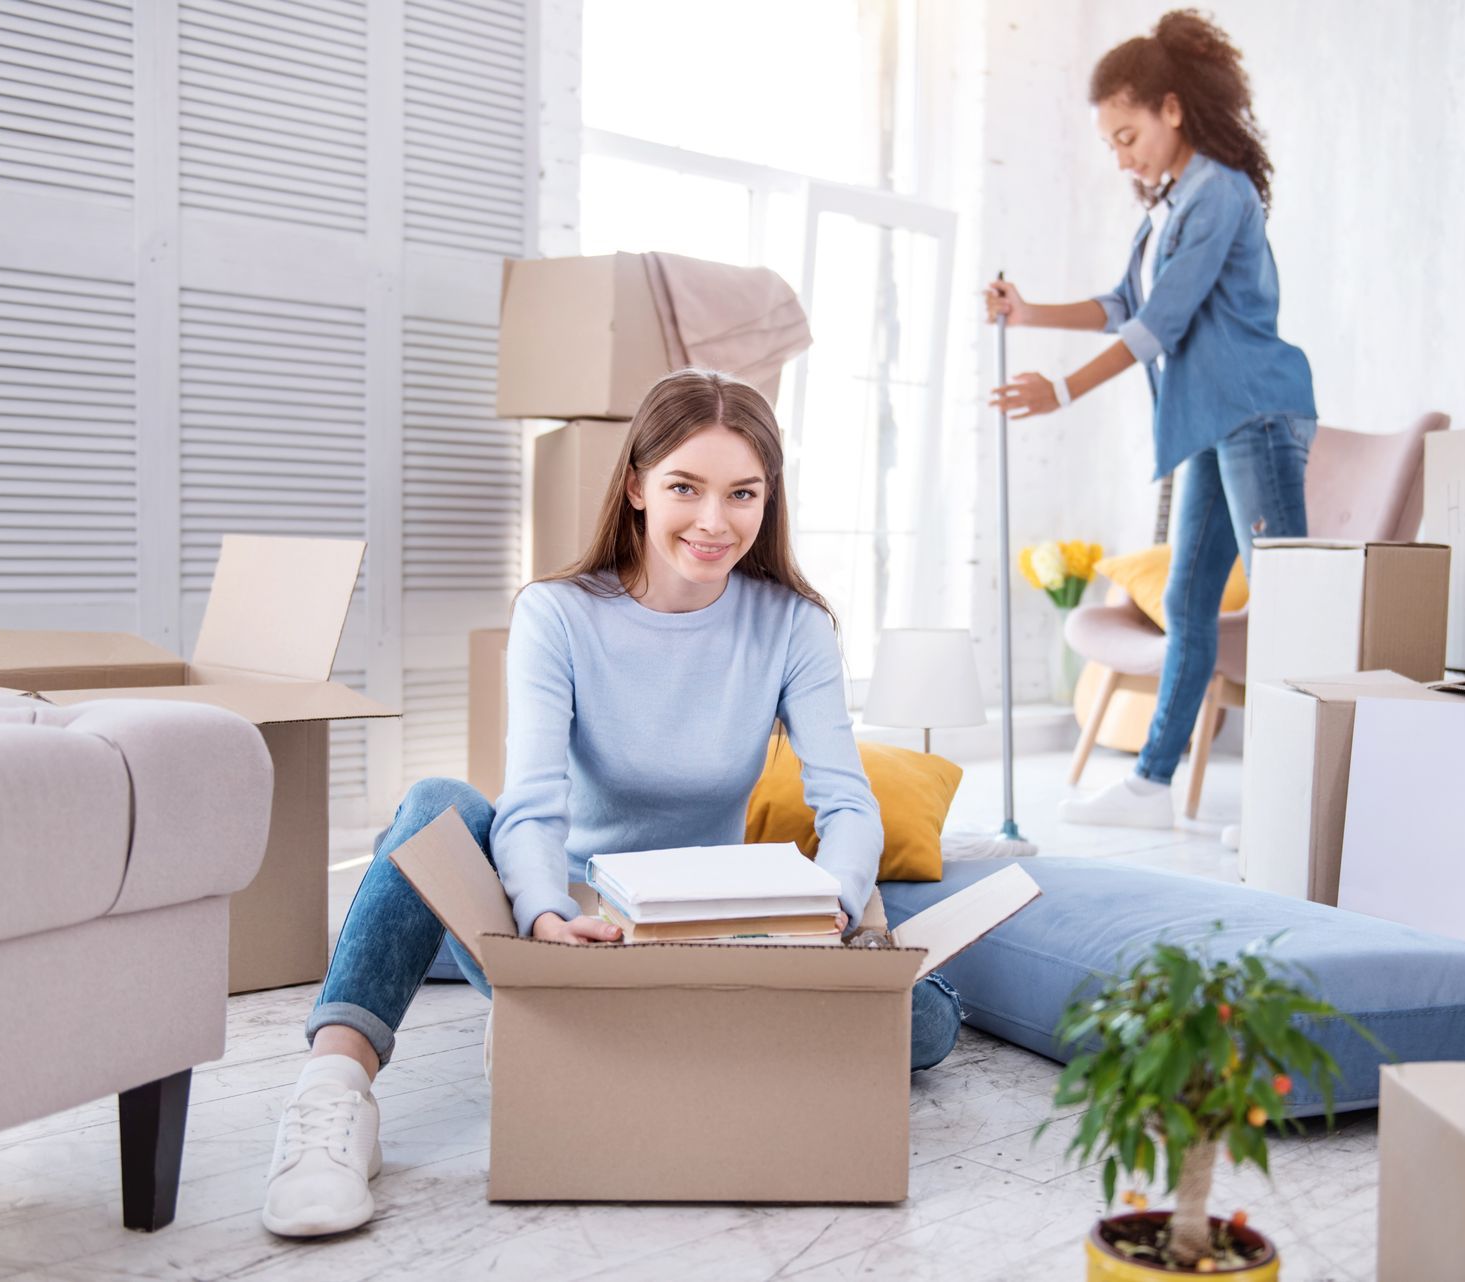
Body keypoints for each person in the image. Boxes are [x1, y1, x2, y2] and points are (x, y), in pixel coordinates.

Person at [262, 368, 965, 1238]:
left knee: (928, 1027)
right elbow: (530, 805)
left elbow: (847, 805)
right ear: (635, 484)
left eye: (742, 493)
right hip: (568, 929)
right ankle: (330, 1100)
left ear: (768, 498)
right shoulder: (558, 613)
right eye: (684, 487)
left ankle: (545, 1004)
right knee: (435, 806)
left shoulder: (793, 624)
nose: (714, 522)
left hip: (708, 934)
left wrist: (832, 904)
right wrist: (545, 915)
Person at [985, 9, 1316, 829]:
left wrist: (1060, 393)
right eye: (1110, 144)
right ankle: (1150, 788)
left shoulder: (1221, 195)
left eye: (1127, 135)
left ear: (1172, 109)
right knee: (1187, 599)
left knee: (1291, 608)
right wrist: (1027, 314)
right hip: (1208, 422)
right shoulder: (1164, 207)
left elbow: (1156, 327)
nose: (1121, 155)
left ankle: (1297, 795)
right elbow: (1122, 301)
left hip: (1257, 413)